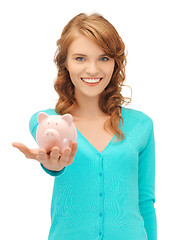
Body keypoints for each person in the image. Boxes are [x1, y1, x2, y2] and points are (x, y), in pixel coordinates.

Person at [12, 13, 157, 240]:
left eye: (104, 58)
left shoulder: (141, 125)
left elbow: (145, 201)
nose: (92, 69)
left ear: (115, 63)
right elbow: (52, 156)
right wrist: (53, 166)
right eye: (80, 58)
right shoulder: (48, 121)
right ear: (65, 63)